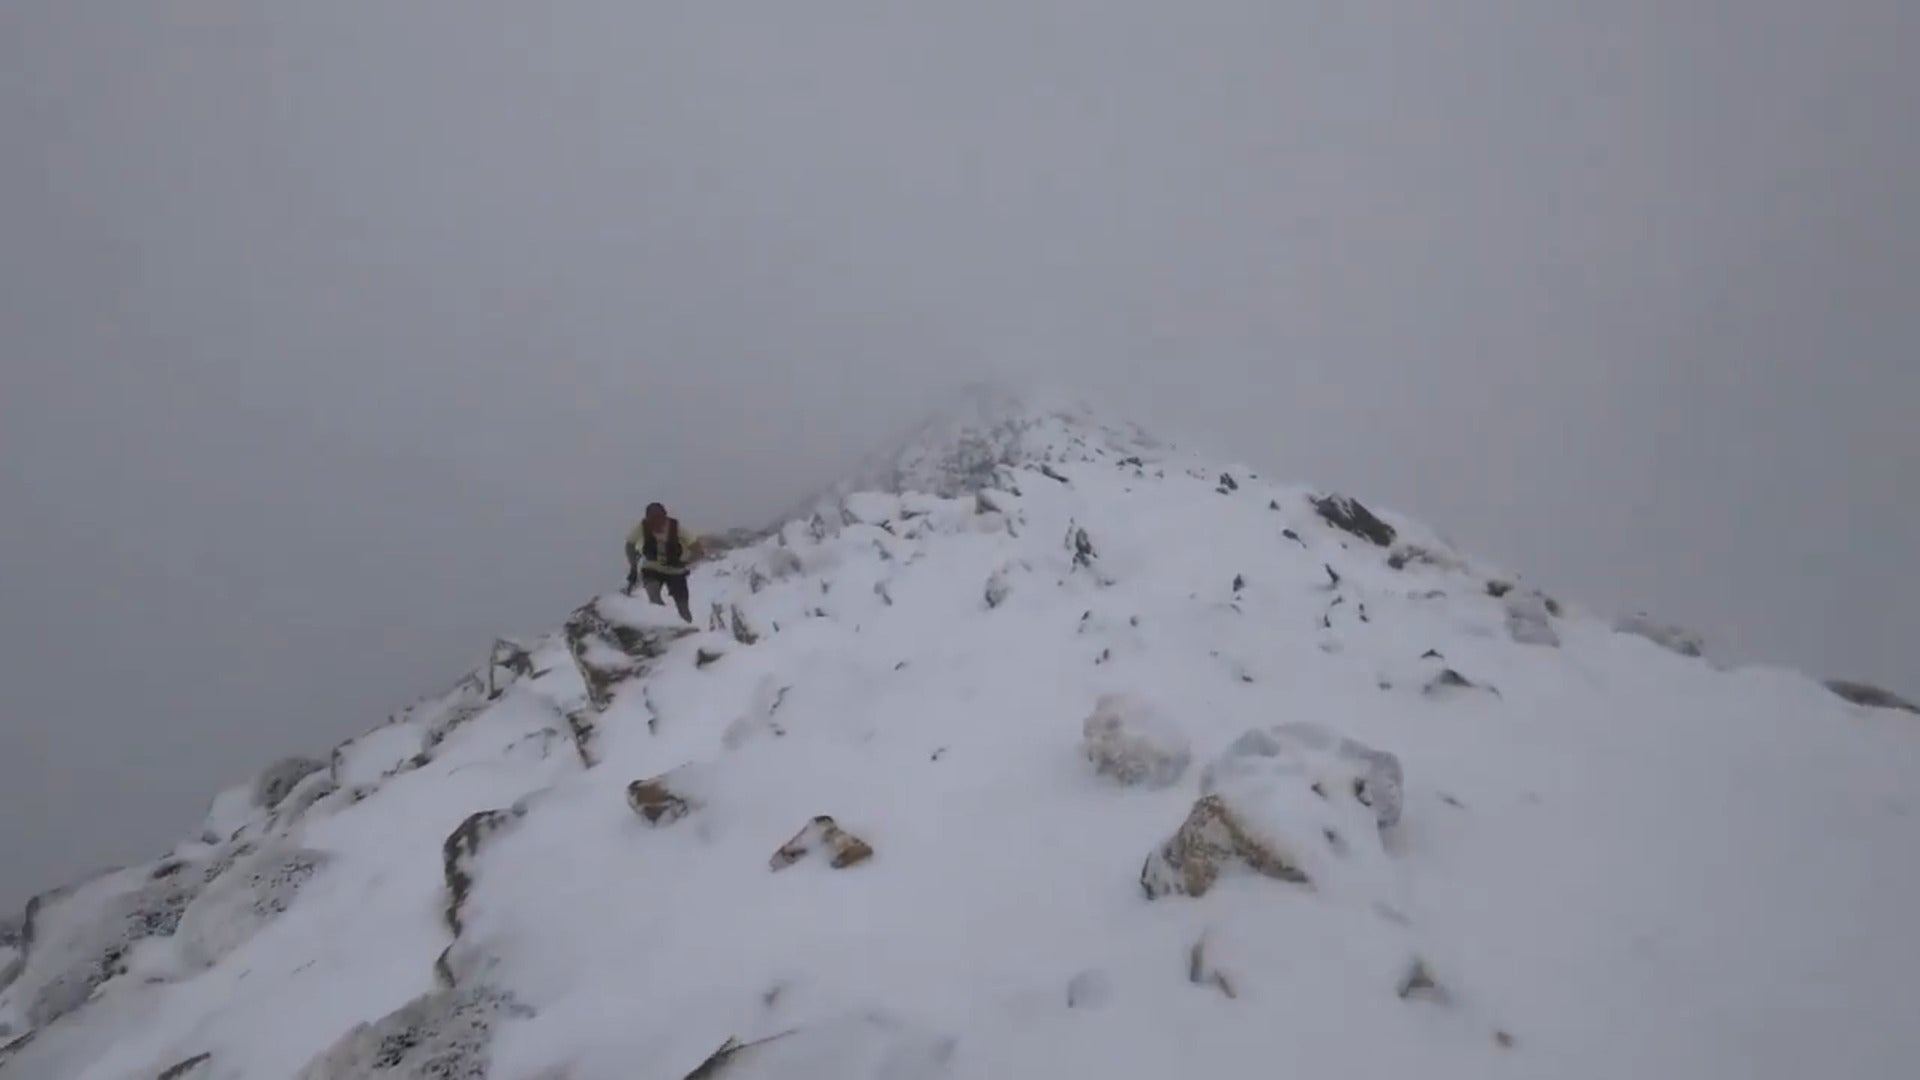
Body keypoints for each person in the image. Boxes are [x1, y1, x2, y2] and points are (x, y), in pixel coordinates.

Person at [624, 502, 701, 622]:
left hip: (676, 570)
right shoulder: (642, 527)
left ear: (665, 517)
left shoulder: (676, 528)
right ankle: (664, 622)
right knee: (654, 596)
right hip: (652, 567)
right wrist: (633, 566)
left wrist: (685, 562)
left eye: (659, 518)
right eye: (652, 519)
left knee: (683, 606)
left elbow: (697, 548)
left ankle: (686, 628)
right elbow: (629, 544)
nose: (656, 523)